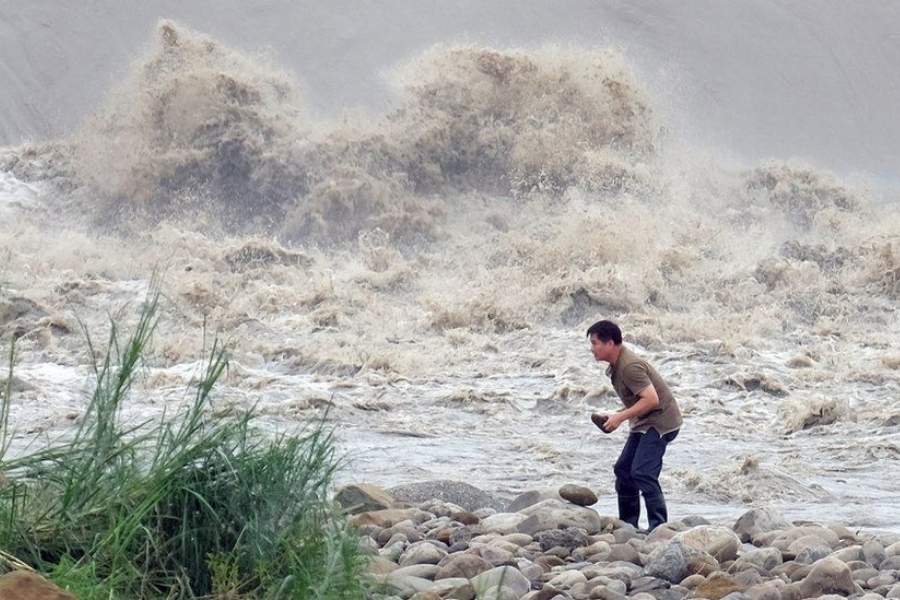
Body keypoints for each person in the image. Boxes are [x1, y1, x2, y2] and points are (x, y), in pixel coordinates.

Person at [587, 319, 682, 531]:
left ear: (610, 343)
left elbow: (651, 400)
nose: (591, 348)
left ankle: (659, 528)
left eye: (594, 343)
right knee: (623, 470)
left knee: (642, 472)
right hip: (644, 421)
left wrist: (620, 418)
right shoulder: (617, 365)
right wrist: (616, 414)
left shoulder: (629, 367)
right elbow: (639, 399)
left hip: (661, 422)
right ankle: (628, 524)